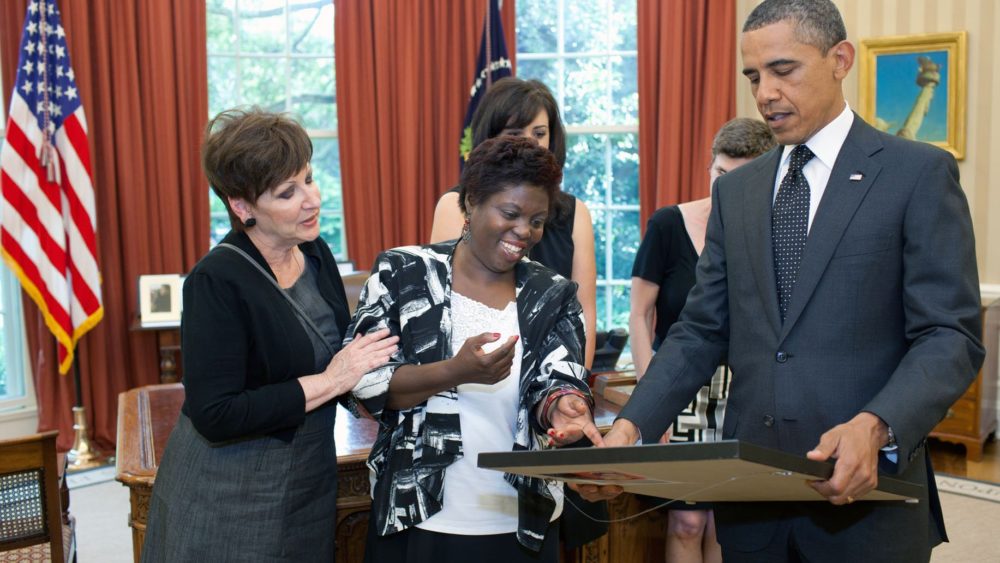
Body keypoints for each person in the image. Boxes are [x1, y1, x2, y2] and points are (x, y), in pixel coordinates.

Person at [579, 1, 984, 562]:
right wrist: (630, 429)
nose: (765, 92)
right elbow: (699, 330)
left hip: (868, 507)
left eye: (783, 69)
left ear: (840, 59)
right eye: (753, 76)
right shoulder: (737, 194)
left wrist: (877, 425)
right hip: (752, 511)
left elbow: (950, 335)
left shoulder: (916, 174)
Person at [141, 108, 398, 562]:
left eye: (310, 179)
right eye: (287, 192)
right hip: (226, 491)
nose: (312, 200)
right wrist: (333, 381)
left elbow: (339, 349)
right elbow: (215, 413)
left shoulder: (315, 252)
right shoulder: (215, 281)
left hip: (308, 475)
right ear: (242, 207)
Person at [350, 136, 602, 563]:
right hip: (420, 516)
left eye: (537, 220)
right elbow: (365, 385)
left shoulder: (553, 293)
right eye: (510, 213)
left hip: (520, 522)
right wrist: (456, 371)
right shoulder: (403, 273)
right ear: (471, 203)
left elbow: (557, 382)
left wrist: (565, 407)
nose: (524, 231)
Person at [628, 117, 776, 563]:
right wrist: (653, 398)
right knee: (688, 519)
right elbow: (639, 314)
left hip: (746, 389)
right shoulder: (668, 224)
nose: (725, 188)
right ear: (709, 167)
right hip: (682, 384)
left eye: (741, 177)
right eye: (720, 174)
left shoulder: (774, 234)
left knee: (728, 522)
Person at [430, 77, 598, 370]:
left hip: (552, 379)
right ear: (490, 137)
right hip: (474, 370)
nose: (529, 142)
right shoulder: (454, 206)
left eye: (539, 132)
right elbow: (444, 308)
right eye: (515, 132)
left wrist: (571, 385)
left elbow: (584, 314)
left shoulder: (576, 213)